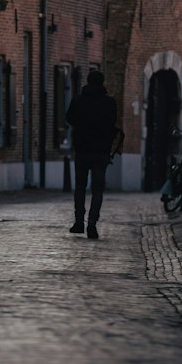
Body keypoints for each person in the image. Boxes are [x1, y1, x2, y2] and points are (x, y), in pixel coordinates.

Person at [65, 69, 118, 240]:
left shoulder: (78, 101)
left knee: (80, 187)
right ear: (102, 83)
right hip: (101, 152)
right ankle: (92, 225)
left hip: (82, 150)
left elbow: (69, 118)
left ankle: (79, 222)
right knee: (97, 190)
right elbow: (112, 122)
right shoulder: (109, 103)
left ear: (87, 82)